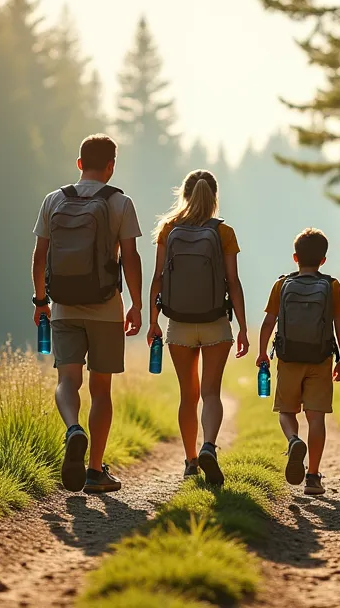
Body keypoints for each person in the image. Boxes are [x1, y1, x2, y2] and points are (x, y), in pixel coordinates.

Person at [31, 134, 143, 495]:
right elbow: (131, 258)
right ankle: (95, 470)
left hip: (63, 306)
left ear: (79, 164)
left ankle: (72, 429)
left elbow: (39, 257)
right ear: (111, 166)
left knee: (67, 380)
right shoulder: (120, 202)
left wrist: (40, 301)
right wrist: (137, 305)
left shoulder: (54, 200)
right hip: (106, 308)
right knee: (101, 390)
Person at [147, 170, 250, 486]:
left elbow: (158, 278)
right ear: (214, 196)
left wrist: (153, 321)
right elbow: (232, 281)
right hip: (215, 321)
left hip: (178, 323)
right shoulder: (224, 232)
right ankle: (209, 446)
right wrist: (244, 328)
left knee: (187, 396)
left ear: (185, 194)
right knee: (211, 392)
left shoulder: (169, 229)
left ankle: (191, 460)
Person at [255, 228, 340, 496]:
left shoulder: (282, 284)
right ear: (323, 260)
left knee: (286, 410)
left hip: (288, 358)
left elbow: (268, 321)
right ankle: (312, 477)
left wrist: (262, 352)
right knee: (316, 417)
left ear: (295, 257)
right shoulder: (331, 285)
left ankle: (293, 440)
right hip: (320, 359)